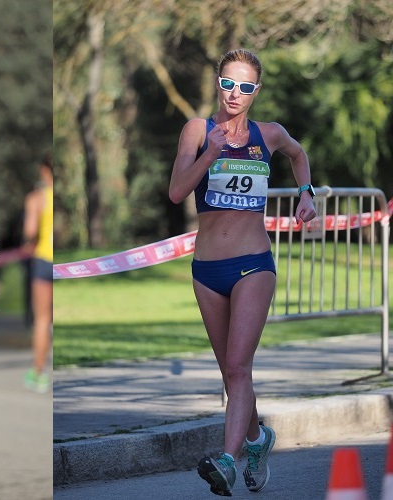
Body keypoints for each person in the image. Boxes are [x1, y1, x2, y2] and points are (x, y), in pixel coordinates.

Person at [168, 49, 315, 496]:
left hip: (253, 263)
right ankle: (258, 439)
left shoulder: (268, 135)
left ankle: (228, 461)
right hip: (206, 268)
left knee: (238, 366)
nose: (235, 93)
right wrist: (208, 154)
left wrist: (306, 193)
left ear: (256, 91)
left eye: (245, 86)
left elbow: (299, 154)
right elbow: (176, 192)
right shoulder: (197, 130)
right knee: (231, 373)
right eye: (229, 83)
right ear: (217, 82)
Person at [22, 152, 53, 393]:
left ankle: (40, 372)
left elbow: (31, 231)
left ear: (44, 170)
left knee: (42, 319)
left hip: (43, 261)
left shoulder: (37, 199)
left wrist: (27, 244)